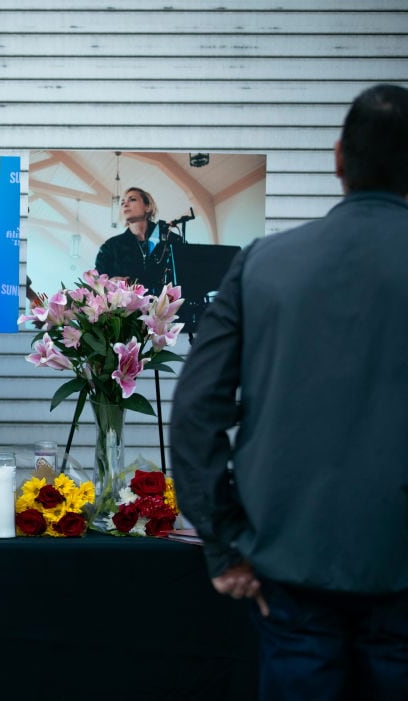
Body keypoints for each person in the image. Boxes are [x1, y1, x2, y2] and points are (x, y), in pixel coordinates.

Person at [169, 83, 408, 700]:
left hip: (290, 569)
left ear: (337, 159)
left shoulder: (263, 263)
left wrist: (224, 546)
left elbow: (196, 412)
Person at [95, 186, 171, 292]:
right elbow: (98, 282)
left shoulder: (169, 239)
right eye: (122, 203)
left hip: (165, 305)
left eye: (132, 199)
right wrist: (112, 282)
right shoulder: (110, 247)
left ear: (148, 207)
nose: (125, 204)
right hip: (128, 307)